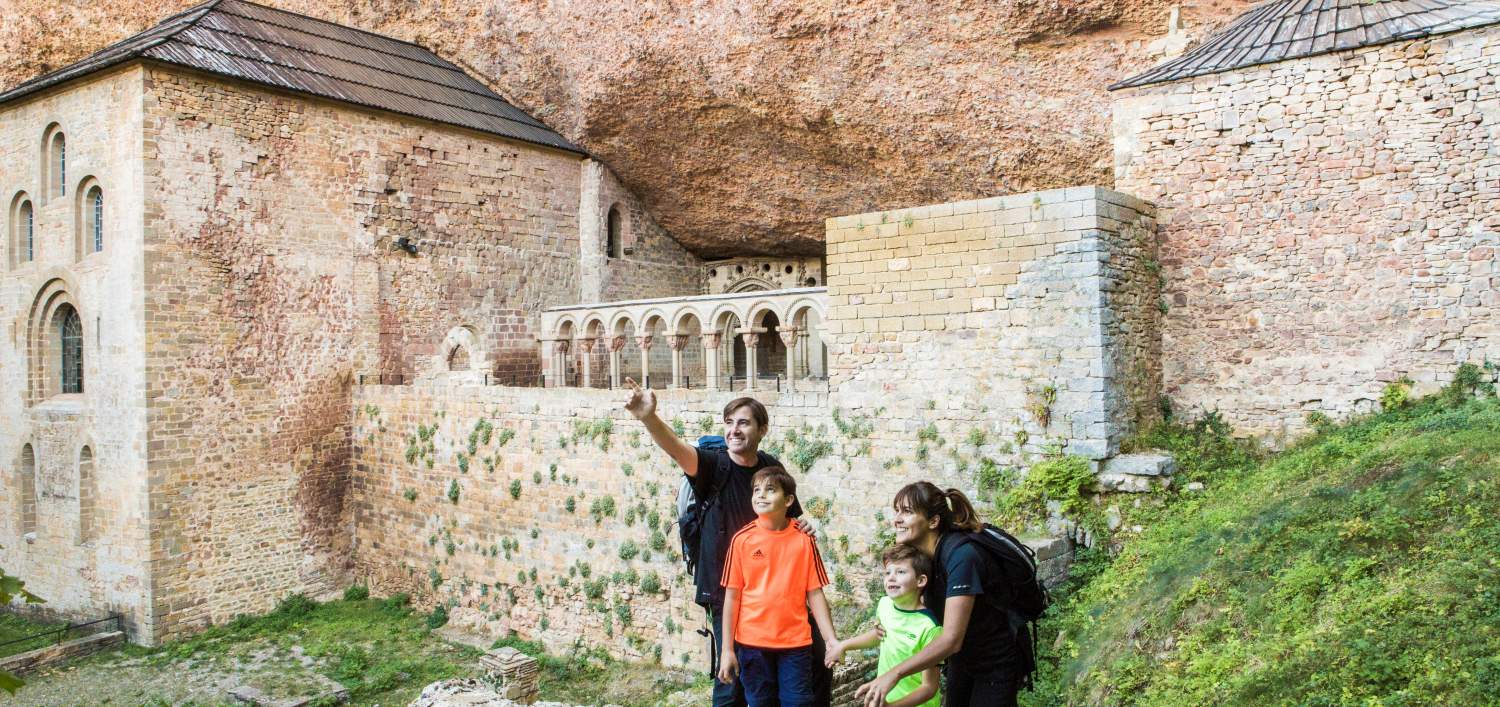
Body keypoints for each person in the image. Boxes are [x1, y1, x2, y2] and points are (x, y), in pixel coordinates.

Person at [623, 379, 829, 706]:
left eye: (743, 422)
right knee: (730, 678)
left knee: (809, 662)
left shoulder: (770, 467)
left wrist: (805, 523)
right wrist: (649, 417)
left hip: (773, 590)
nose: (734, 430)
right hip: (725, 591)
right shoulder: (711, 465)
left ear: (761, 430)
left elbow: (791, 519)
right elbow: (675, 447)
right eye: (729, 422)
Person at [857, 481, 1025, 707]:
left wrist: (894, 674)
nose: (896, 519)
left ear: (933, 521)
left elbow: (951, 639)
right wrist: (887, 624)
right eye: (896, 511)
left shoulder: (962, 557)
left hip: (994, 663)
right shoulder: (923, 557)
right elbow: (922, 608)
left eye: (906, 512)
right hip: (962, 661)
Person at [718, 466, 839, 707]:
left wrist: (831, 641)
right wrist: (727, 650)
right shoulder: (742, 540)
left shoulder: (804, 540)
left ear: (789, 500)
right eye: (756, 490)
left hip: (795, 645)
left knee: (798, 703)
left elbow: (815, 593)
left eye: (770, 490)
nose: (761, 495)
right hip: (752, 645)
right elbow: (732, 598)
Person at [825, 544, 942, 707]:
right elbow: (880, 636)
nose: (891, 578)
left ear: (921, 580)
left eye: (900, 572)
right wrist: (844, 645)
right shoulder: (885, 604)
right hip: (885, 699)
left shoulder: (930, 628)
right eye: (888, 572)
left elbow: (929, 688)